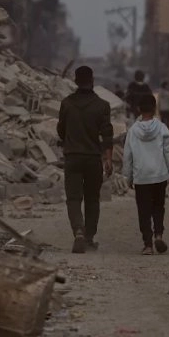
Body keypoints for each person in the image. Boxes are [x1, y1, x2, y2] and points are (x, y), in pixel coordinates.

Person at [56, 65, 113, 254]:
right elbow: (107, 135)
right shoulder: (102, 105)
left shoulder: (66, 103)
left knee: (73, 198)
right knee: (92, 199)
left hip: (72, 157)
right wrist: (108, 160)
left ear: (75, 80)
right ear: (92, 80)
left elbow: (61, 130)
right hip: (92, 158)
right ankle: (89, 237)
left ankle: (78, 231)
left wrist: (69, 139)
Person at [122, 95, 169, 255]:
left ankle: (148, 245)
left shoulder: (133, 131)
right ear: (155, 108)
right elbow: (168, 153)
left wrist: (127, 177)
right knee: (158, 207)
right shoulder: (162, 128)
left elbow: (127, 156)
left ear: (139, 109)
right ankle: (159, 235)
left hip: (141, 176)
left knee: (143, 210)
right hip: (159, 175)